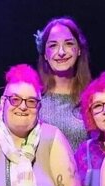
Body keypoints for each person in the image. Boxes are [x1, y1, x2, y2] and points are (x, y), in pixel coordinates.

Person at [34, 17, 92, 152]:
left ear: (78, 50)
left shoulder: (93, 98)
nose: (61, 52)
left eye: (69, 44)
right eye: (53, 45)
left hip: (82, 172)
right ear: (45, 55)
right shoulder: (33, 98)